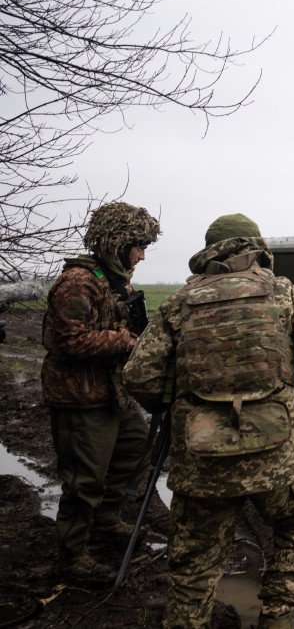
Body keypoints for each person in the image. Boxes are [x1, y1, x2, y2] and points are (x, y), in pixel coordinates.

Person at [123, 214, 294, 629]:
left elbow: (138, 376)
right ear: (255, 248)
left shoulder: (178, 305)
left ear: (211, 252)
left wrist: (186, 399)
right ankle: (281, 616)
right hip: (280, 459)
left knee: (193, 573)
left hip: (204, 464)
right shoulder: (286, 296)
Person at [41, 201, 161, 585]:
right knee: (84, 479)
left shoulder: (113, 281)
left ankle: (107, 520)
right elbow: (67, 339)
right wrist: (124, 341)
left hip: (112, 393)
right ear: (117, 243)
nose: (142, 255)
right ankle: (72, 555)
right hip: (79, 398)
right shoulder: (78, 282)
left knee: (135, 448)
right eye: (138, 246)